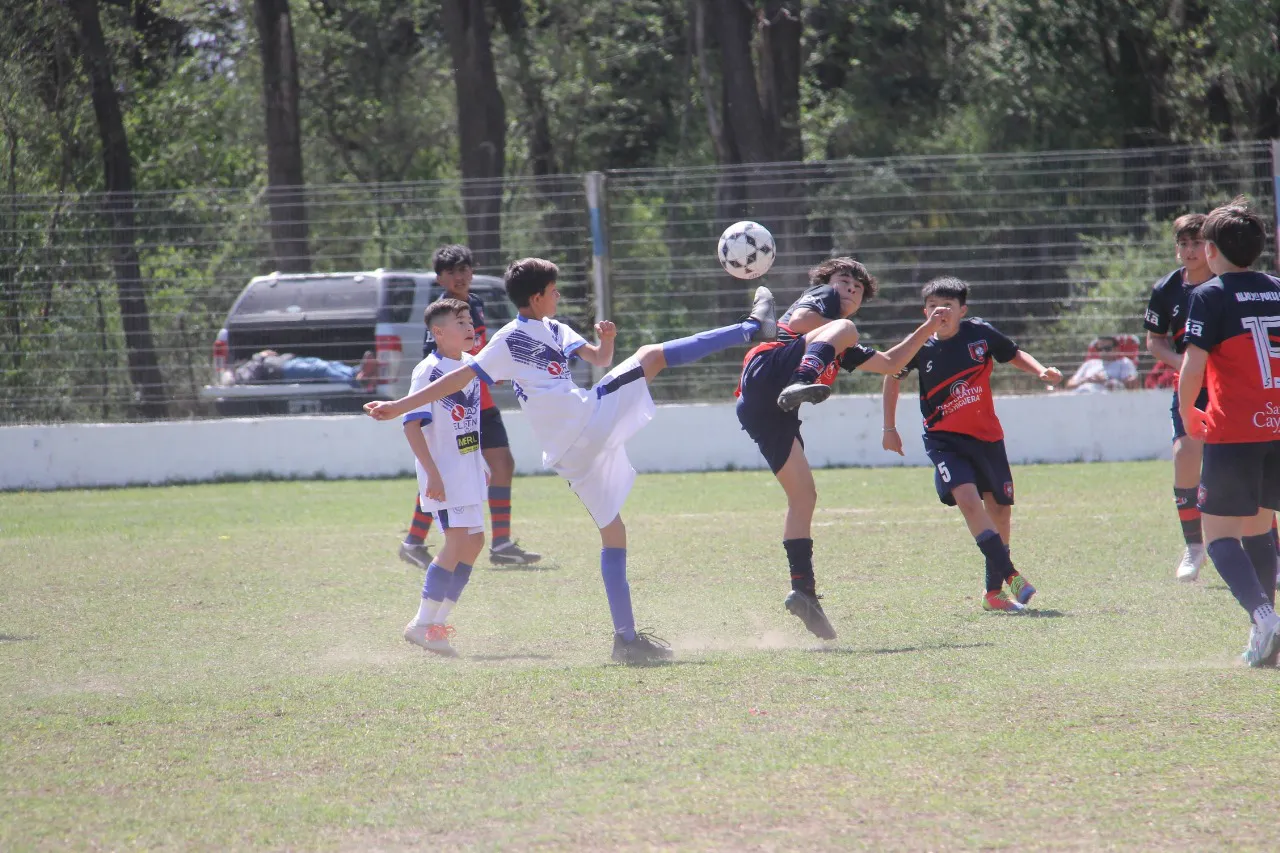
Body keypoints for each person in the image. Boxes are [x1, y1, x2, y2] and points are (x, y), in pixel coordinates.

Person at [367, 257, 778, 664]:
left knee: (614, 532)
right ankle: (751, 328)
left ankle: (626, 640)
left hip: (570, 453)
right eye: (553, 291)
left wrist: (607, 342)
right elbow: (458, 378)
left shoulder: (556, 328)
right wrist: (400, 405)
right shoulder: (509, 338)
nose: (558, 295)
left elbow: (599, 359)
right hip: (584, 422)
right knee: (652, 355)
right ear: (536, 297)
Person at [734, 257, 951, 640]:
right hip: (768, 372)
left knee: (804, 496)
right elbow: (802, 320)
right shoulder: (823, 303)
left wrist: (928, 328)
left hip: (764, 410)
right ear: (826, 282)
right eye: (843, 280)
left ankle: (803, 591)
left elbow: (891, 364)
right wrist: (841, 333)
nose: (850, 287)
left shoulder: (836, 337)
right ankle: (801, 380)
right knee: (845, 329)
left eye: (858, 287)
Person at [881, 277, 1063, 613]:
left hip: (987, 437)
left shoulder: (980, 333)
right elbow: (891, 377)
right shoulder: (919, 344)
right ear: (924, 311)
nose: (940, 312)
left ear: (962, 310)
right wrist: (889, 427)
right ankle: (1011, 575)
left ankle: (993, 594)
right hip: (944, 440)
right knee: (967, 500)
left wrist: (1039, 371)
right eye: (934, 306)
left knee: (1000, 511)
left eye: (948, 306)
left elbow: (1013, 354)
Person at [1178, 197, 1280, 666]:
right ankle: (1264, 635)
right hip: (1276, 426)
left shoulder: (1210, 294)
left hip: (1235, 429)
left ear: (1212, 250)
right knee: (1260, 526)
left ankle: (1263, 617)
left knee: (1219, 536)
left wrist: (1187, 412)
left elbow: (1193, 366)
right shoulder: (1277, 289)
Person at [398, 245, 544, 571]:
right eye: (451, 272)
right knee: (446, 474)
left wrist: (493, 369)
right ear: (439, 278)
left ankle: (501, 543)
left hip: (481, 402)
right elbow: (442, 362)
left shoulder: (475, 304)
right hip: (456, 406)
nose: (459, 276)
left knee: (502, 464)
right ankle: (415, 540)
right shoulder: (441, 315)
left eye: (464, 269)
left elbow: (478, 353)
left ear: (472, 271)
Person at [399, 299, 487, 657]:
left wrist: (479, 460)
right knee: (456, 542)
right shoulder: (428, 371)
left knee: (475, 542)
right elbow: (411, 425)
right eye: (460, 322)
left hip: (467, 471)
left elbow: (466, 422)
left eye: (470, 321)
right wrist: (432, 473)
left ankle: (436, 625)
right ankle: (422, 624)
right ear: (438, 332)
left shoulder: (469, 365)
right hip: (445, 476)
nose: (470, 328)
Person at [1143, 214, 1216, 581]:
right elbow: (1154, 341)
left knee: (1243, 463)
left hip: (1231, 386)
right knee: (1185, 455)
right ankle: (1194, 547)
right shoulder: (1166, 289)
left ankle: (1272, 551)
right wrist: (1185, 364)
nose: (1190, 251)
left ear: (1211, 246)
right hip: (1190, 385)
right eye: (1184, 244)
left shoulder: (1225, 283)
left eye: (1197, 243)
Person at [233, 350, 377, 391]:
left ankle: (358, 371)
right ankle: (357, 381)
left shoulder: (250, 362)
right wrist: (260, 356)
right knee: (321, 369)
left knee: (326, 364)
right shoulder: (242, 372)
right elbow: (249, 379)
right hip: (282, 371)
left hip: (288, 362)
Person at [1064, 335, 1139, 393]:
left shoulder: (1124, 363)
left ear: (1116, 349)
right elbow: (1069, 385)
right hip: (1080, 397)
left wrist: (1105, 381)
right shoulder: (1089, 363)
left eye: (1107, 349)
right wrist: (1087, 380)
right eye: (1099, 349)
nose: (1103, 352)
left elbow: (1130, 386)